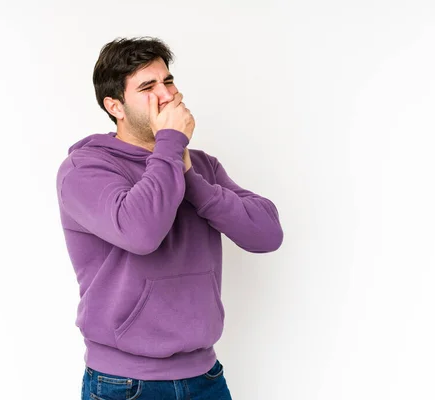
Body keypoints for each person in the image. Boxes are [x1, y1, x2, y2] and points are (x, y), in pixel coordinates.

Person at [56, 36, 283, 400]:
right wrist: (171, 145)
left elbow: (267, 234)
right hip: (125, 384)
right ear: (115, 105)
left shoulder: (202, 166)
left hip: (206, 377)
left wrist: (191, 178)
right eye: (147, 87)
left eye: (168, 81)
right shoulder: (85, 169)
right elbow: (141, 232)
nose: (166, 95)